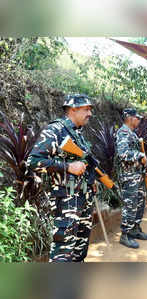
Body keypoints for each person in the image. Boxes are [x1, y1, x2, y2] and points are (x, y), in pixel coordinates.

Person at [27, 94, 97, 262]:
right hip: (66, 200)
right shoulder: (55, 130)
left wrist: (90, 181)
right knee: (63, 252)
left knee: (79, 250)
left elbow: (81, 163)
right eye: (86, 109)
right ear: (73, 109)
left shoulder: (77, 133)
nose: (90, 114)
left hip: (83, 198)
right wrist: (68, 167)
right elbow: (33, 161)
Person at [116, 108, 147, 249]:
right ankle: (125, 235)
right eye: (137, 117)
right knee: (130, 205)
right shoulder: (123, 133)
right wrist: (140, 156)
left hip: (137, 176)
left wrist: (146, 165)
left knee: (139, 203)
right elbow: (123, 154)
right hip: (128, 176)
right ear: (129, 118)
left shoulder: (132, 134)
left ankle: (135, 229)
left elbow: (141, 153)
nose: (139, 120)